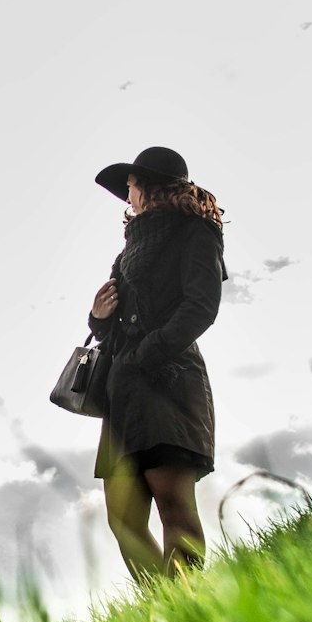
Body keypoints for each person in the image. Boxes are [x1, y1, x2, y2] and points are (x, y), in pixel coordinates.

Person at [88, 146, 226, 581]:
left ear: (147, 186)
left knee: (173, 504)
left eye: (129, 185)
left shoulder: (196, 233)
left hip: (168, 381)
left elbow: (201, 307)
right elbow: (114, 329)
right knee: (122, 519)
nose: (126, 195)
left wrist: (146, 354)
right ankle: (165, 610)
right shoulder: (128, 250)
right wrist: (99, 316)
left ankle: (186, 614)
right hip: (122, 392)